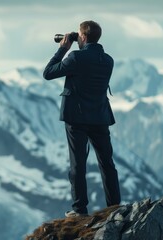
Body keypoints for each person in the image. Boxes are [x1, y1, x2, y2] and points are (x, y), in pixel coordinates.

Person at [43, 20, 121, 217]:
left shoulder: (76, 57)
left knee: (78, 164)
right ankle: (114, 207)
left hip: (76, 119)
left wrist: (63, 49)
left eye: (79, 34)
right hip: (100, 117)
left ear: (83, 36)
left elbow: (48, 73)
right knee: (107, 163)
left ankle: (79, 210)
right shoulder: (108, 60)